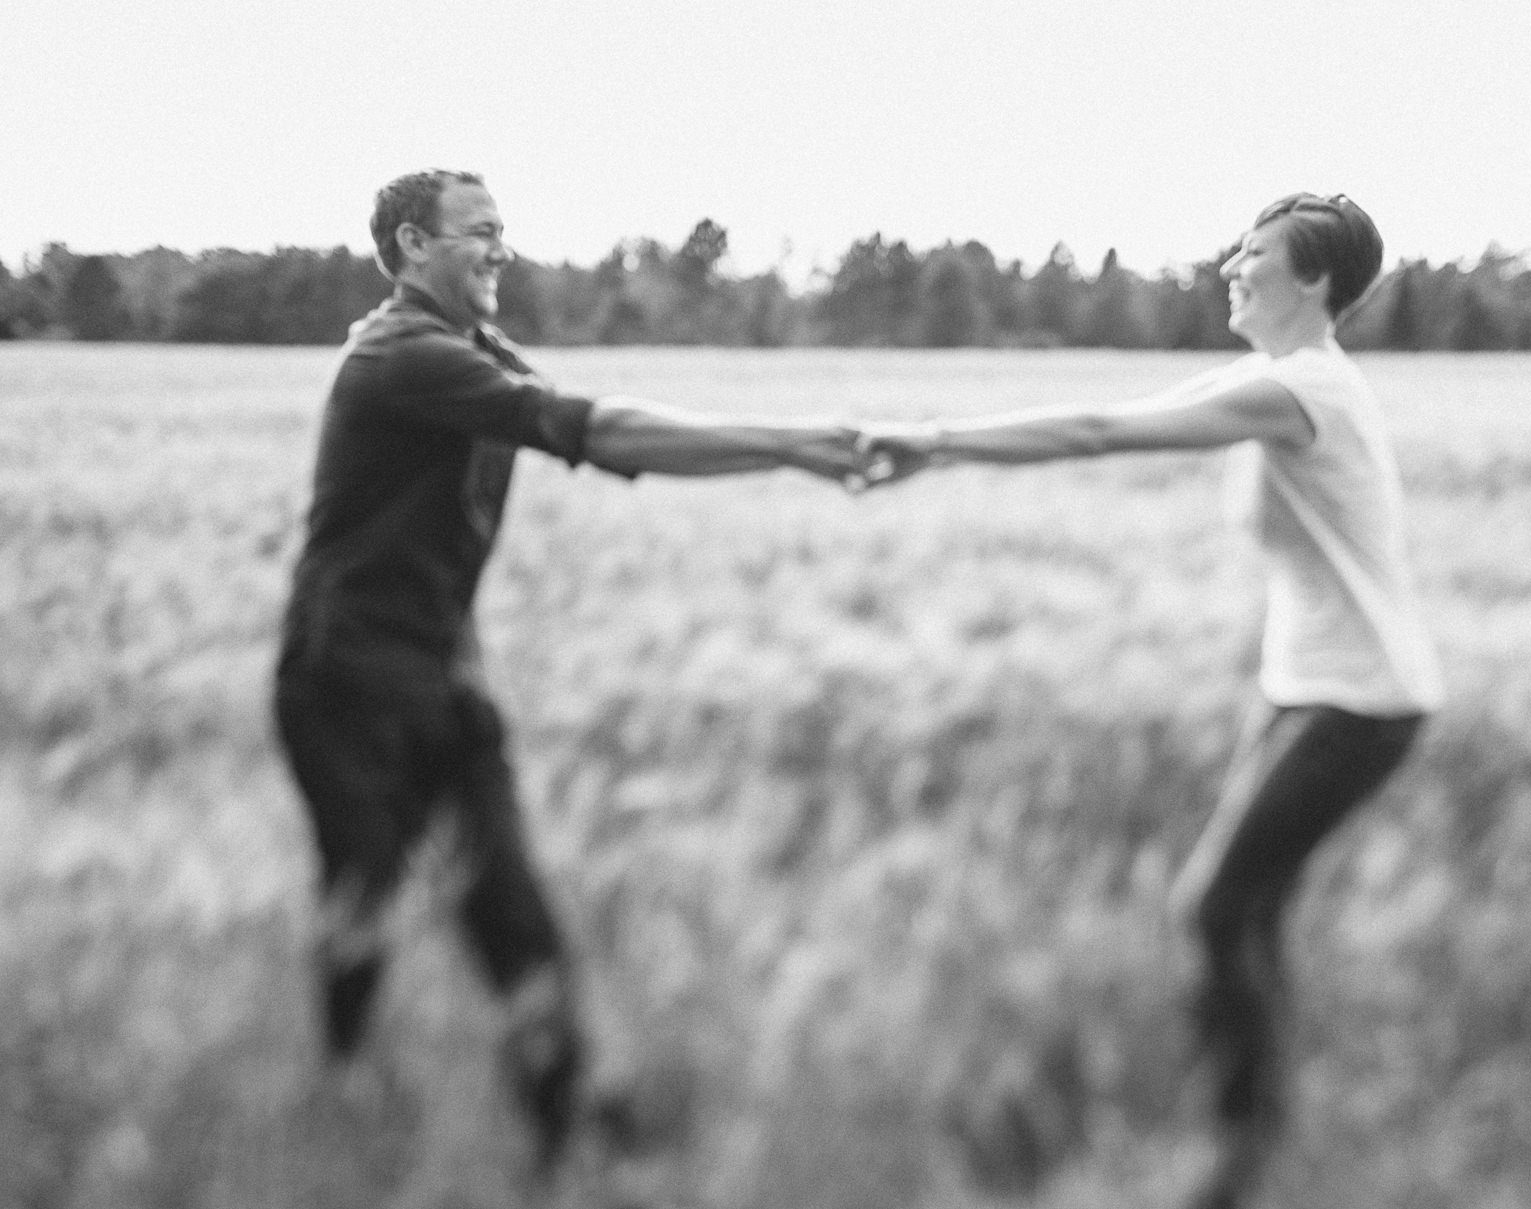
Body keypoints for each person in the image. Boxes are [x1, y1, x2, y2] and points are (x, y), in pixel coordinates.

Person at [858, 193, 1442, 1208]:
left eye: (1252, 253)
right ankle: (1254, 1127)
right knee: (1243, 911)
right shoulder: (1280, 377)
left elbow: (1097, 431)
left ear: (1310, 281)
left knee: (1214, 907)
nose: (1229, 265)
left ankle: (1236, 1152)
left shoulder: (1302, 391)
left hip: (1363, 702)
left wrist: (934, 440)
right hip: (1307, 689)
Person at [273, 169, 861, 1169]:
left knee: (510, 911)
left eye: (504, 231)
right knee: (362, 905)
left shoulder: (470, 347)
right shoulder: (401, 353)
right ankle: (338, 1112)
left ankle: (564, 1133)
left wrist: (794, 445)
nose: (502, 248)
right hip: (348, 685)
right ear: (415, 244)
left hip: (444, 682)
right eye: (481, 232)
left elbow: (593, 417)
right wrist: (793, 448)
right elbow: (591, 428)